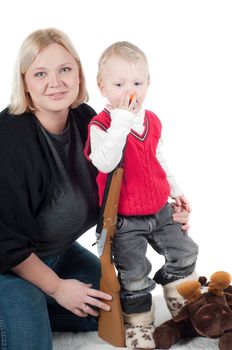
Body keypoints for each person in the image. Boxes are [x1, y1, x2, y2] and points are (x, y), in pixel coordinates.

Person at [0, 29, 190, 350]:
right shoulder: (10, 141)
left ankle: (32, 306)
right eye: (40, 73)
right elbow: (5, 239)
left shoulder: (87, 120)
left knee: (107, 313)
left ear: (78, 71)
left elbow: (129, 179)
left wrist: (166, 209)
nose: (55, 82)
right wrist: (58, 288)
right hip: (10, 263)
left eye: (64, 69)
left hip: (58, 253)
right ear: (25, 81)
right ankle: (20, 307)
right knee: (30, 343)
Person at [84, 41, 199, 349]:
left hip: (160, 210)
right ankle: (139, 325)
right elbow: (105, 162)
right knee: (133, 275)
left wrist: (176, 191)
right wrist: (121, 120)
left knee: (186, 252)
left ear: (148, 84)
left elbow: (160, 159)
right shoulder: (101, 125)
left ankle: (179, 300)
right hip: (125, 219)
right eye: (119, 84)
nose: (129, 91)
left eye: (137, 83)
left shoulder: (152, 120)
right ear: (102, 86)